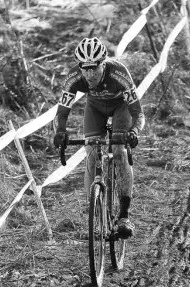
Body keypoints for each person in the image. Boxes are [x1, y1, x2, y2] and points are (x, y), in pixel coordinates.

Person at [53, 37, 145, 239]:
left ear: (103, 63)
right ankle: (95, 214)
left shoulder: (119, 74)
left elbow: (138, 113)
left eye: (94, 68)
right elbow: (61, 113)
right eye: (85, 69)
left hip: (121, 107)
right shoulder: (74, 77)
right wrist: (60, 131)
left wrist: (134, 131)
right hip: (95, 108)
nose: (90, 74)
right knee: (91, 152)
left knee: (119, 151)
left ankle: (124, 216)